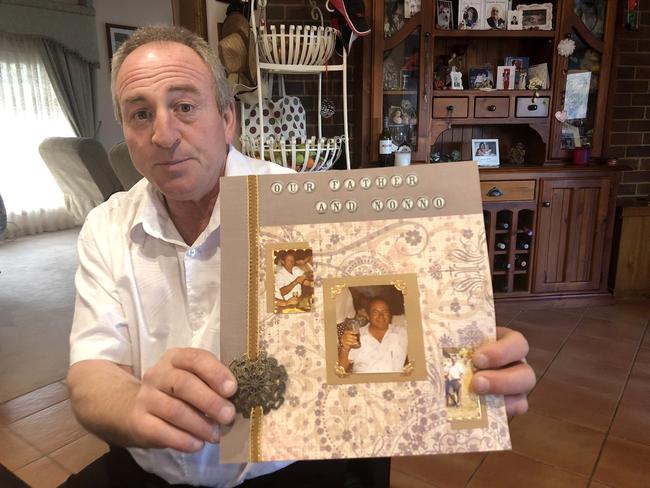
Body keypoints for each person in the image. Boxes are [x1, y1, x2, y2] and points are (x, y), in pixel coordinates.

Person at [64, 24, 535, 487]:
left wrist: (466, 364)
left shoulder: (303, 207)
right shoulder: (106, 228)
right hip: (150, 471)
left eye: (185, 106)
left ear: (227, 118)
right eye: (140, 114)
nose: (163, 134)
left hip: (287, 471)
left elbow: (390, 328)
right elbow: (92, 371)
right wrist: (134, 408)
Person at [338, 298, 408, 374]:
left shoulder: (403, 333)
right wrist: (344, 349)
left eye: (385, 311)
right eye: (375, 312)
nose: (381, 316)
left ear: (390, 315)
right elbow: (341, 370)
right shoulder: (356, 336)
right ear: (368, 316)